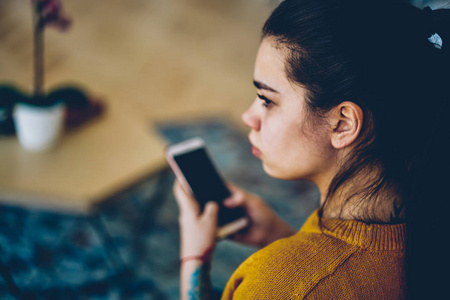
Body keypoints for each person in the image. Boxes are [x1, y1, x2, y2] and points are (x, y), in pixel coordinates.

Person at [173, 0, 450, 299]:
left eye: (266, 100)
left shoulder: (273, 287)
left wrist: (194, 259)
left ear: (342, 123)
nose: (247, 117)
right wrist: (280, 236)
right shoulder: (431, 208)